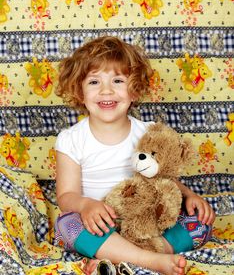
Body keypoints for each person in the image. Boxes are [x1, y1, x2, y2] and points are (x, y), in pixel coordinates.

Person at [54, 36, 215, 275]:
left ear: (134, 90)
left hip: (147, 225)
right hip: (100, 227)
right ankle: (150, 259)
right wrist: (87, 205)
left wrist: (189, 195)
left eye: (117, 80)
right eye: (94, 82)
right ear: (79, 91)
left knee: (201, 223)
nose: (106, 90)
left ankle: (119, 256)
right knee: (67, 224)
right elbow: (66, 196)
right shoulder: (71, 139)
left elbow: (163, 177)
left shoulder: (147, 132)